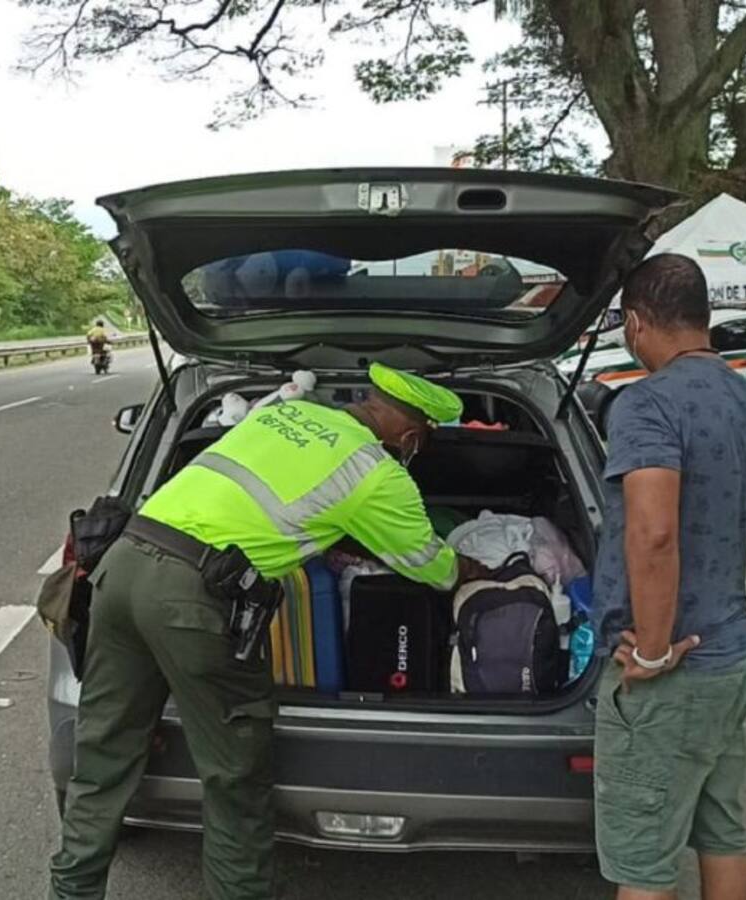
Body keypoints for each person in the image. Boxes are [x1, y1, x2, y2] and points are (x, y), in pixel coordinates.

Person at [50, 362, 488, 900]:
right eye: (423, 444)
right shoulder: (378, 473)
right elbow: (432, 567)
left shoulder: (287, 412)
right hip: (193, 602)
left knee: (103, 754)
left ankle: (71, 892)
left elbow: (266, 503)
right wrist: (477, 569)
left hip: (122, 567)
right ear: (412, 436)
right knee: (234, 778)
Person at [591, 253, 746, 900]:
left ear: (636, 324)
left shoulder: (645, 406)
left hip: (672, 677)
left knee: (643, 860)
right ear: (704, 318)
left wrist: (652, 649)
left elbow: (653, 532)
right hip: (732, 659)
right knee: (721, 830)